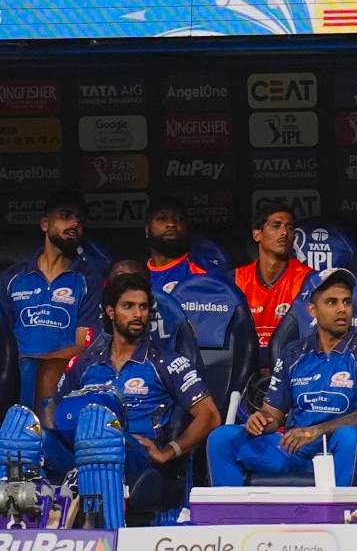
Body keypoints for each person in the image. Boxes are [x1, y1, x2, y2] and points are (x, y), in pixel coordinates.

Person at [35, 272, 218, 527]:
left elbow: (210, 415)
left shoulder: (167, 362)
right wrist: (58, 425)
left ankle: (95, 530)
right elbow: (52, 407)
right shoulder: (88, 362)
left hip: (135, 455)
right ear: (110, 312)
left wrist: (169, 451)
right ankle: (28, 528)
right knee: (23, 432)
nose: (138, 314)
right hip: (81, 449)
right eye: (128, 306)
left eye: (143, 307)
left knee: (101, 428)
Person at [207, 269, 357, 488]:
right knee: (222, 439)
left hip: (340, 449)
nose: (342, 309)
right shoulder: (293, 353)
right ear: (312, 310)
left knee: (350, 437)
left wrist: (316, 432)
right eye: (331, 302)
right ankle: (231, 517)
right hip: (295, 449)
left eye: (347, 302)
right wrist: (261, 420)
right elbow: (273, 414)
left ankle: (342, 519)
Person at [0, 191, 99, 409]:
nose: (74, 223)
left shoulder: (88, 281)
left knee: (33, 369)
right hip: (10, 374)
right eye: (65, 215)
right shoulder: (12, 278)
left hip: (64, 373)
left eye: (80, 220)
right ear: (45, 223)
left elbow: (84, 345)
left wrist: (34, 362)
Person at [233, 200, 313, 350]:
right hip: (247, 365)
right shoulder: (237, 279)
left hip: (289, 364)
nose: (284, 232)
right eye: (276, 226)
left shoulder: (307, 279)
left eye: (289, 228)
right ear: (257, 234)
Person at [144, 196, 210, 294]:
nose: (171, 224)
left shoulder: (202, 272)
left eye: (179, 219)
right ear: (147, 228)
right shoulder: (136, 271)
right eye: (161, 218)